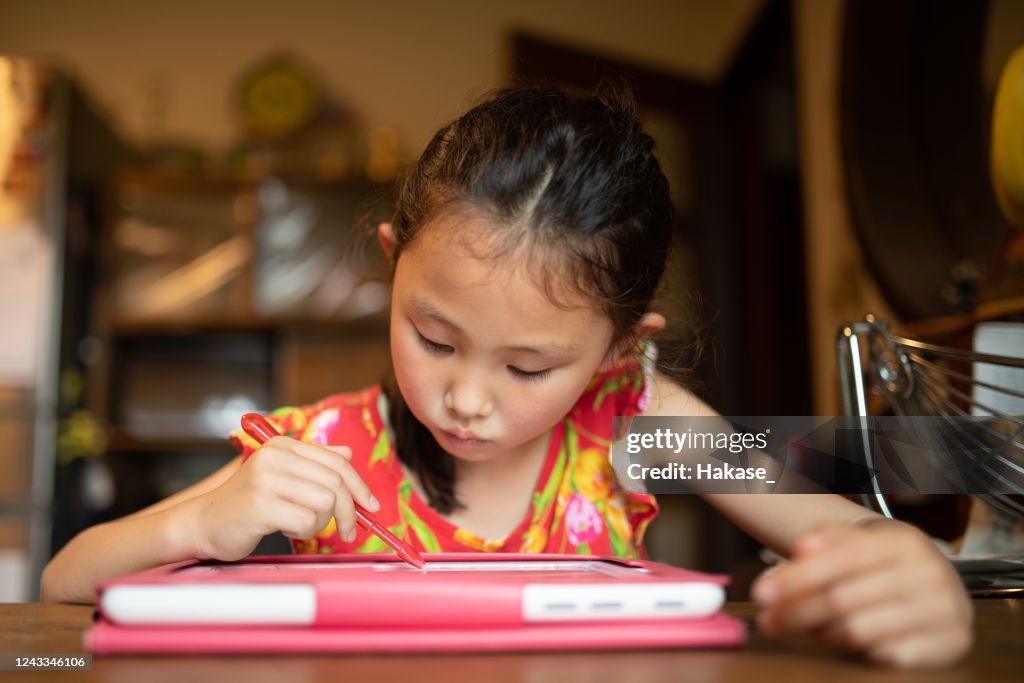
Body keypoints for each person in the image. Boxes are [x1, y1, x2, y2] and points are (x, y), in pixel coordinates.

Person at [41, 84, 972, 668]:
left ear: (616, 352)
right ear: (391, 261)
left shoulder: (641, 422)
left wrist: (914, 574)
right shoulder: (322, 447)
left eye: (529, 364)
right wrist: (204, 519)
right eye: (434, 338)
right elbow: (65, 582)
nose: (468, 398)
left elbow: (851, 531)